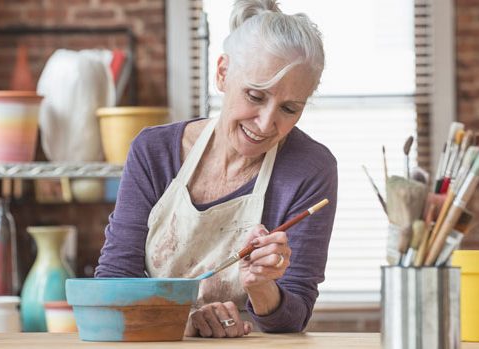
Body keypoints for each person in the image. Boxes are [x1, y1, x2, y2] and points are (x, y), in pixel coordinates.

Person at [95, 0, 337, 338]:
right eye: (255, 96)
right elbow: (112, 282)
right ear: (222, 73)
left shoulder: (310, 168)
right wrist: (187, 322)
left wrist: (261, 286)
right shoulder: (154, 152)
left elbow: (292, 319)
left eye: (289, 108)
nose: (267, 123)